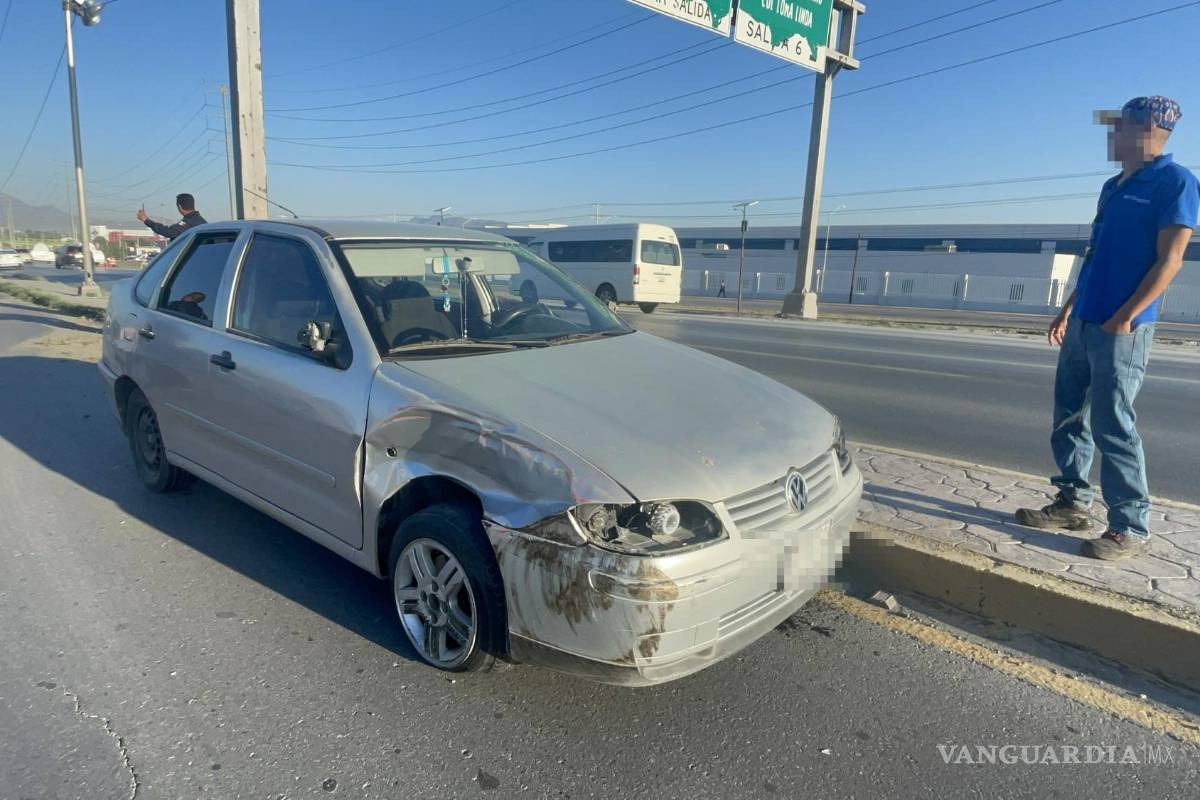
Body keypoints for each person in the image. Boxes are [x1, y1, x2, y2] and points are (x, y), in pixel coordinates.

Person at [1015, 96, 1198, 560]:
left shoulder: (1176, 182)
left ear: (1148, 129)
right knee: (1069, 414)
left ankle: (1130, 527)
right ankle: (1073, 501)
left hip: (1124, 327)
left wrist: (1126, 315)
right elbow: (1095, 255)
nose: (1111, 137)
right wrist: (1068, 309)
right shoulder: (1112, 186)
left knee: (1113, 423)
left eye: (1118, 128)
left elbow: (1170, 260)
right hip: (1084, 318)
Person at [137, 193, 207, 240]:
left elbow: (168, 231)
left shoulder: (188, 222)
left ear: (179, 206)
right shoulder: (202, 222)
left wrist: (146, 220)